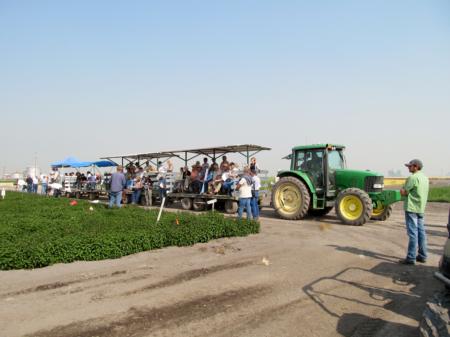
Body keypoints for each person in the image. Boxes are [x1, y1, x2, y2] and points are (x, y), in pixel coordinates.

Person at [399, 159, 429, 265]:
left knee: (413, 233)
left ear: (416, 167)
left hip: (411, 208)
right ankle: (423, 255)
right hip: (420, 208)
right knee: (421, 232)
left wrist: (402, 189)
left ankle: (411, 258)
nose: (408, 168)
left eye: (410, 166)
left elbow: (404, 192)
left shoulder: (412, 178)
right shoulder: (425, 178)